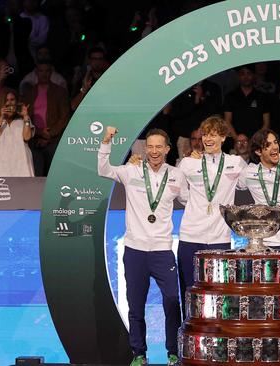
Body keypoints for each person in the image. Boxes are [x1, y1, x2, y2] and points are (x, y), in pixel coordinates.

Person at [98, 126, 186, 366]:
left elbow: (190, 200)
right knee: (136, 305)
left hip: (162, 250)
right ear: (144, 149)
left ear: (167, 149)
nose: (154, 151)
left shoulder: (178, 175)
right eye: (150, 146)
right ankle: (139, 353)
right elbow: (103, 169)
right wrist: (106, 140)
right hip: (135, 250)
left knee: (171, 302)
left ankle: (173, 352)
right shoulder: (132, 170)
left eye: (159, 146)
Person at [176, 116, 247, 315]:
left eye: (213, 135)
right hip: (190, 236)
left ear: (223, 137)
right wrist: (196, 205)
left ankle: (218, 340)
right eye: (205, 134)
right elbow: (182, 195)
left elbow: (250, 181)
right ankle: (190, 338)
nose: (208, 139)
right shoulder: (188, 163)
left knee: (219, 293)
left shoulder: (235, 162)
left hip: (219, 239)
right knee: (189, 292)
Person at [242, 129, 280, 250]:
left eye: (275, 142)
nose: (274, 147)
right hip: (266, 239)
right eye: (268, 145)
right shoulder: (248, 172)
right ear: (258, 151)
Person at [22, 60, 70, 176]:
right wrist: (39, 133)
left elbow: (64, 117)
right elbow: (24, 116)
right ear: (36, 73)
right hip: (34, 139)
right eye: (41, 71)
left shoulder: (60, 91)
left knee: (54, 174)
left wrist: (49, 134)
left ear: (51, 73)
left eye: (47, 71)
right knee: (36, 175)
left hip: (54, 140)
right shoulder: (29, 92)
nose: (44, 74)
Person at [0, 88, 34, 177]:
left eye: (12, 100)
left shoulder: (23, 120)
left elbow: (27, 137)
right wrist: (1, 117)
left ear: (16, 101)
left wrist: (25, 116)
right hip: (2, 164)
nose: (9, 103)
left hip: (21, 163)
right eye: (6, 100)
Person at [223, 64, 271, 138]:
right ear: (238, 76)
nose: (246, 77)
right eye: (242, 74)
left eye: (249, 73)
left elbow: (266, 123)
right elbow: (227, 121)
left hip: (257, 143)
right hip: (235, 143)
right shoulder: (230, 96)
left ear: (253, 75)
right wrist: (238, 140)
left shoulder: (262, 97)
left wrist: (256, 140)